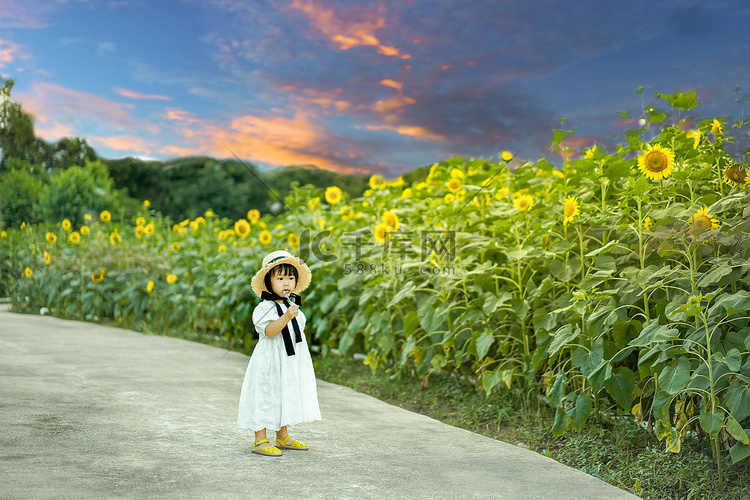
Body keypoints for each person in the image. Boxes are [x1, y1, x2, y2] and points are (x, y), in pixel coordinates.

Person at [237, 250, 321, 456]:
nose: (286, 283)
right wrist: (286, 317)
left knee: (284, 393)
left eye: (291, 278)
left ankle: (282, 435)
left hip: (288, 360)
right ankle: (260, 439)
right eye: (280, 278)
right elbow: (269, 331)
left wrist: (292, 314)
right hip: (269, 361)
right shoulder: (264, 308)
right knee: (266, 394)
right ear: (268, 282)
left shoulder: (293, 306)